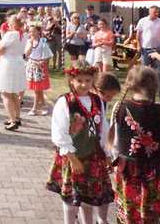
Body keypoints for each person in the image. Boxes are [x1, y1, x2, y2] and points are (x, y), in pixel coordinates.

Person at [109, 66, 160, 224]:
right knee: (154, 216)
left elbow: (116, 144)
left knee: (130, 215)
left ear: (130, 84)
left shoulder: (119, 108)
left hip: (128, 173)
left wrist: (117, 165)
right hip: (156, 174)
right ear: (154, 85)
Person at [46, 60, 113, 224]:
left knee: (88, 198)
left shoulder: (97, 101)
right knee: (71, 199)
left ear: (93, 80)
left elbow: (103, 128)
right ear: (71, 80)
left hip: (93, 156)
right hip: (73, 157)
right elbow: (59, 133)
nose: (84, 84)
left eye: (88, 81)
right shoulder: (66, 102)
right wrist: (72, 158)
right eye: (79, 81)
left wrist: (107, 152)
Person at [0, 15, 27, 131]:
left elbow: (0, 51)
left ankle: (13, 120)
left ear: (13, 24)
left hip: (9, 63)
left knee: (6, 93)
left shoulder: (10, 34)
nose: (7, 24)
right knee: (14, 93)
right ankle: (16, 117)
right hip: (19, 62)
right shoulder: (24, 34)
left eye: (9, 22)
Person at [25, 24, 53, 116]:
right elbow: (27, 54)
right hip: (32, 65)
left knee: (38, 89)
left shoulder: (43, 41)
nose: (31, 33)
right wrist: (31, 43)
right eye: (30, 31)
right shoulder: (29, 41)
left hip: (40, 66)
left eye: (33, 31)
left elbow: (48, 54)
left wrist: (42, 61)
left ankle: (35, 108)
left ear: (38, 31)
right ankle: (43, 106)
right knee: (37, 89)